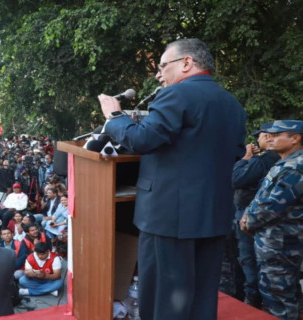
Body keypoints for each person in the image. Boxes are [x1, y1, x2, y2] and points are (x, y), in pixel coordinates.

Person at [98, 38, 246, 320]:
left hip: (168, 218)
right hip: (212, 214)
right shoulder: (232, 103)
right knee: (203, 295)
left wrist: (114, 116)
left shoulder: (177, 95)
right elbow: (236, 154)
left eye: (163, 66)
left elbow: (141, 139)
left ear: (187, 63)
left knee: (165, 298)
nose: (158, 74)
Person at [240, 120, 303, 320]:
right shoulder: (285, 161)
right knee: (281, 293)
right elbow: (262, 195)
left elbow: (274, 204)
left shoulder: (296, 167)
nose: (271, 138)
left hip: (282, 243)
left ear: (295, 138)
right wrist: (247, 214)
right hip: (272, 241)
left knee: (278, 298)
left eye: (277, 135)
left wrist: (249, 221)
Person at [232, 122, 279, 307]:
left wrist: (245, 158)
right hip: (263, 220)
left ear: (267, 137)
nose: (257, 140)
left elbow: (237, 179)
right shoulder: (278, 159)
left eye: (258, 136)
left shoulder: (266, 159)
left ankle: (253, 303)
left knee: (249, 262)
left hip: (251, 219)